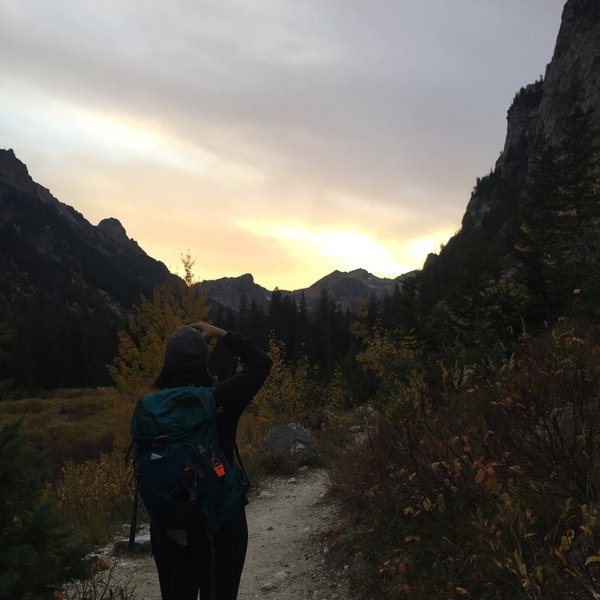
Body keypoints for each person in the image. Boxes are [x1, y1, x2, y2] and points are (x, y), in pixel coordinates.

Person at [149, 320, 272, 600]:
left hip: (170, 526)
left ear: (167, 362)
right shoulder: (220, 399)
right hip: (221, 523)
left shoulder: (152, 409)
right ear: (205, 360)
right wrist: (222, 334)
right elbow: (261, 362)